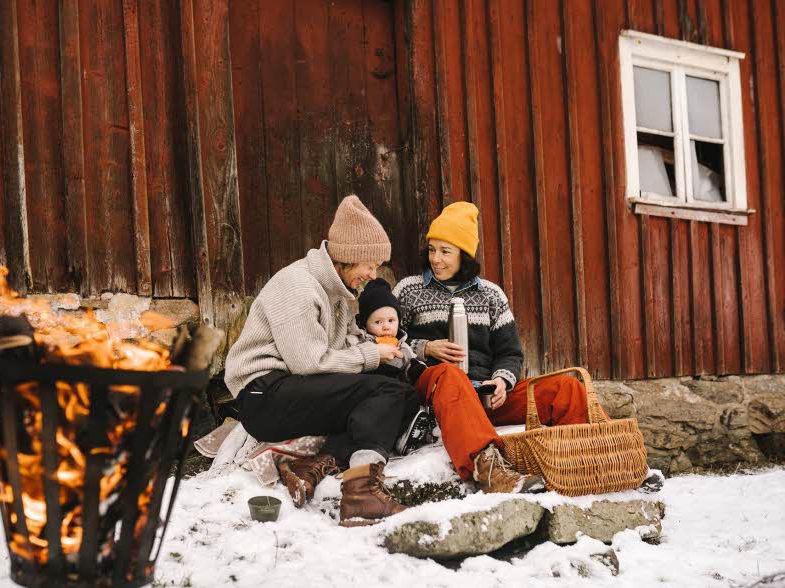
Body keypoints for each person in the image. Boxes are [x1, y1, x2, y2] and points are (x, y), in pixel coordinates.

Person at [224, 195, 417, 525]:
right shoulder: (297, 285)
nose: (373, 274)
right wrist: (371, 355)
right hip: (264, 395)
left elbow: (345, 346)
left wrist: (393, 352)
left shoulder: (338, 295)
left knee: (398, 391)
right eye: (370, 265)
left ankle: (311, 466)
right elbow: (308, 363)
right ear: (348, 258)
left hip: (293, 389)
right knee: (385, 393)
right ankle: (361, 495)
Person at [393, 202, 596, 494]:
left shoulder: (491, 295)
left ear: (465, 255)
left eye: (445, 251)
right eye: (432, 249)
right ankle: (491, 474)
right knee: (451, 375)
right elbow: (387, 341)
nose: (435, 259)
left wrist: (501, 381)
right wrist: (426, 347)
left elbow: (510, 352)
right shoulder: (408, 290)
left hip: (483, 397)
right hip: (436, 394)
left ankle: (607, 459)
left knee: (566, 389)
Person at [356, 278, 432, 454]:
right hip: (375, 390)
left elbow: (409, 362)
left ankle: (411, 431)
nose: (386, 327)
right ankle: (395, 438)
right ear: (365, 324)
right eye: (378, 322)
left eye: (391, 320)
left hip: (400, 389)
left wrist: (416, 368)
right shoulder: (363, 343)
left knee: (410, 398)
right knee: (385, 411)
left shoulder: (401, 344)